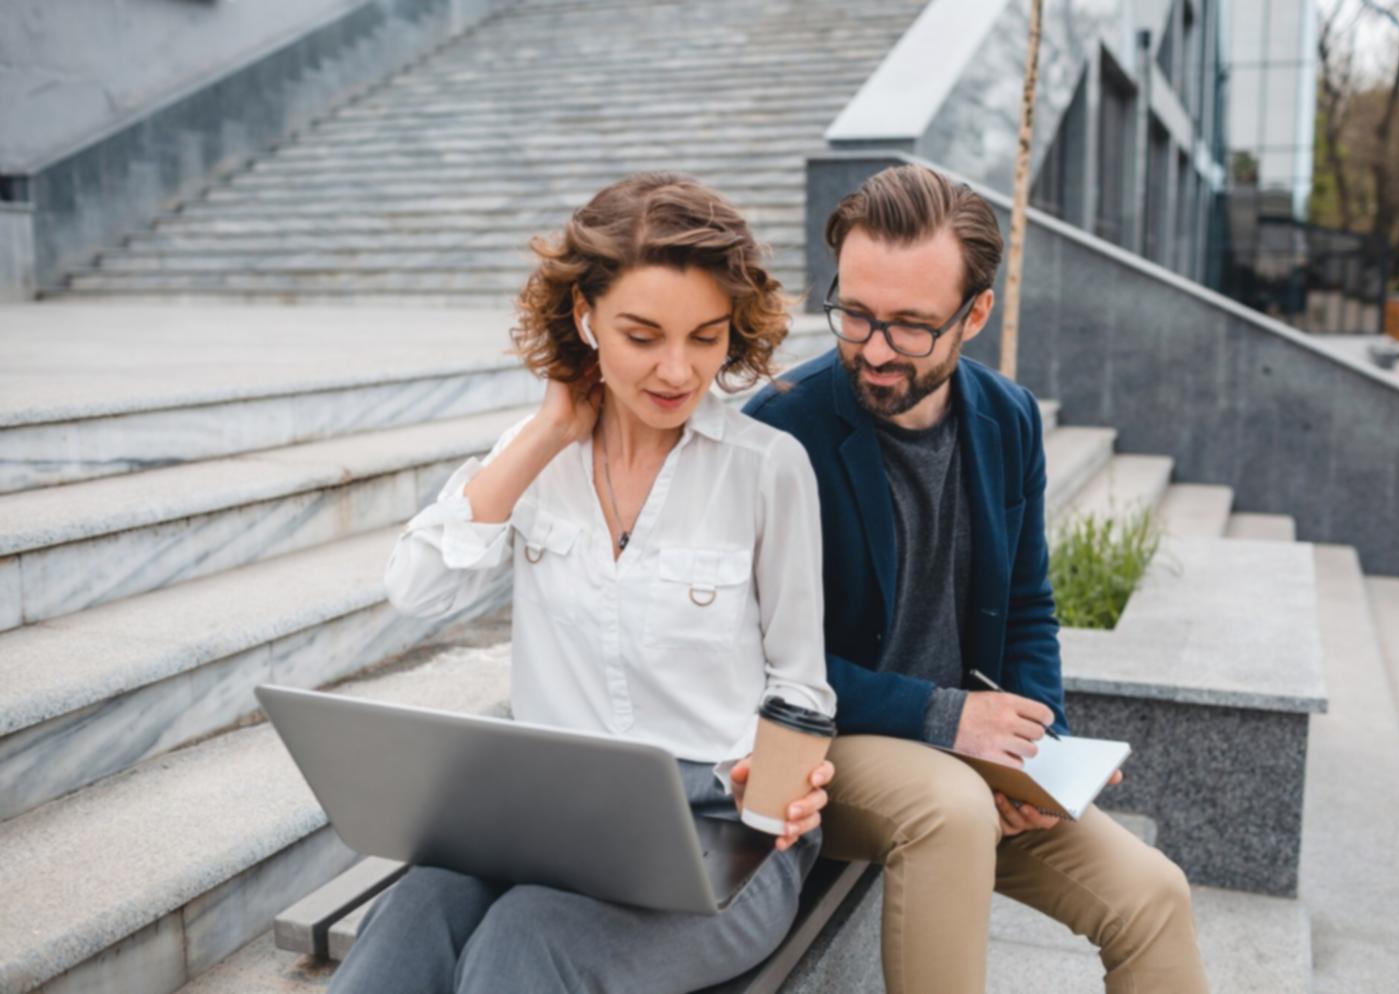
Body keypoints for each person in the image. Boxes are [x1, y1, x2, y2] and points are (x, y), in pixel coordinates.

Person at [328, 172, 837, 994]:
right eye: (643, 335)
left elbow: (802, 685)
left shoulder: (767, 469)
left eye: (706, 337)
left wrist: (772, 778)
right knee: (415, 915)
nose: (679, 370)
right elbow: (415, 588)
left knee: (526, 942)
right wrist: (549, 430)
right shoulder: (540, 456)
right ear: (584, 317)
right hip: (545, 822)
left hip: (720, 832)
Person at [743, 163, 1210, 994]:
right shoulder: (782, 431)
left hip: (968, 758)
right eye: (854, 314)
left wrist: (1041, 753)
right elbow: (754, 655)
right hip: (831, 742)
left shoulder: (1009, 418)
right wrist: (943, 718)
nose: (875, 350)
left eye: (911, 326)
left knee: (1155, 896)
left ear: (977, 313)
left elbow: (1029, 607)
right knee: (950, 808)